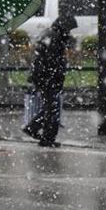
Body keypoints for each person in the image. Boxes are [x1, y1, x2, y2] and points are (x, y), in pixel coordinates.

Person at [23, 14, 78, 148]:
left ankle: (35, 129)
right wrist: (57, 74)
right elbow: (53, 61)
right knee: (52, 109)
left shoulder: (51, 35)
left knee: (50, 108)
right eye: (69, 29)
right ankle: (47, 137)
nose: (69, 32)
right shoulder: (54, 38)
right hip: (48, 78)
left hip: (44, 78)